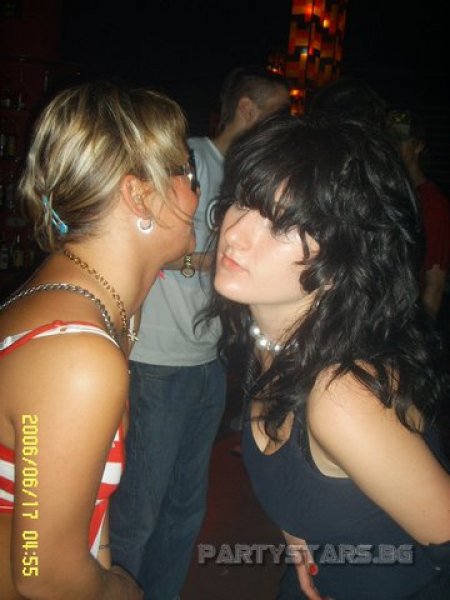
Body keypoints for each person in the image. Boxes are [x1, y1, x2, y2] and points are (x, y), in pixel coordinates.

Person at [208, 112, 450, 599]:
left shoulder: (342, 396)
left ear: (338, 265)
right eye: (244, 201)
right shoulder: (268, 342)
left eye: (282, 225)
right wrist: (299, 528)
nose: (235, 234)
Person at [0, 81, 198, 599]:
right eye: (187, 170)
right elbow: (42, 573)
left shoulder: (94, 310)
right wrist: (123, 591)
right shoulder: (76, 356)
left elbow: (86, 507)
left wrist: (104, 563)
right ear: (139, 194)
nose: (197, 193)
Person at [109, 65, 290, 599]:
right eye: (277, 112)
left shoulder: (247, 176)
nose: (285, 122)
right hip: (158, 362)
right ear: (247, 110)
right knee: (139, 514)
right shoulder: (185, 160)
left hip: (207, 361)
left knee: (186, 510)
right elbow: (140, 241)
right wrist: (213, 261)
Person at [388, 108, 450, 321]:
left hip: (406, 320)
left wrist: (423, 334)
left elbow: (434, 284)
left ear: (418, 146)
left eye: (400, 141)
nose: (393, 147)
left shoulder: (433, 204)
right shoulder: (385, 192)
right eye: (388, 140)